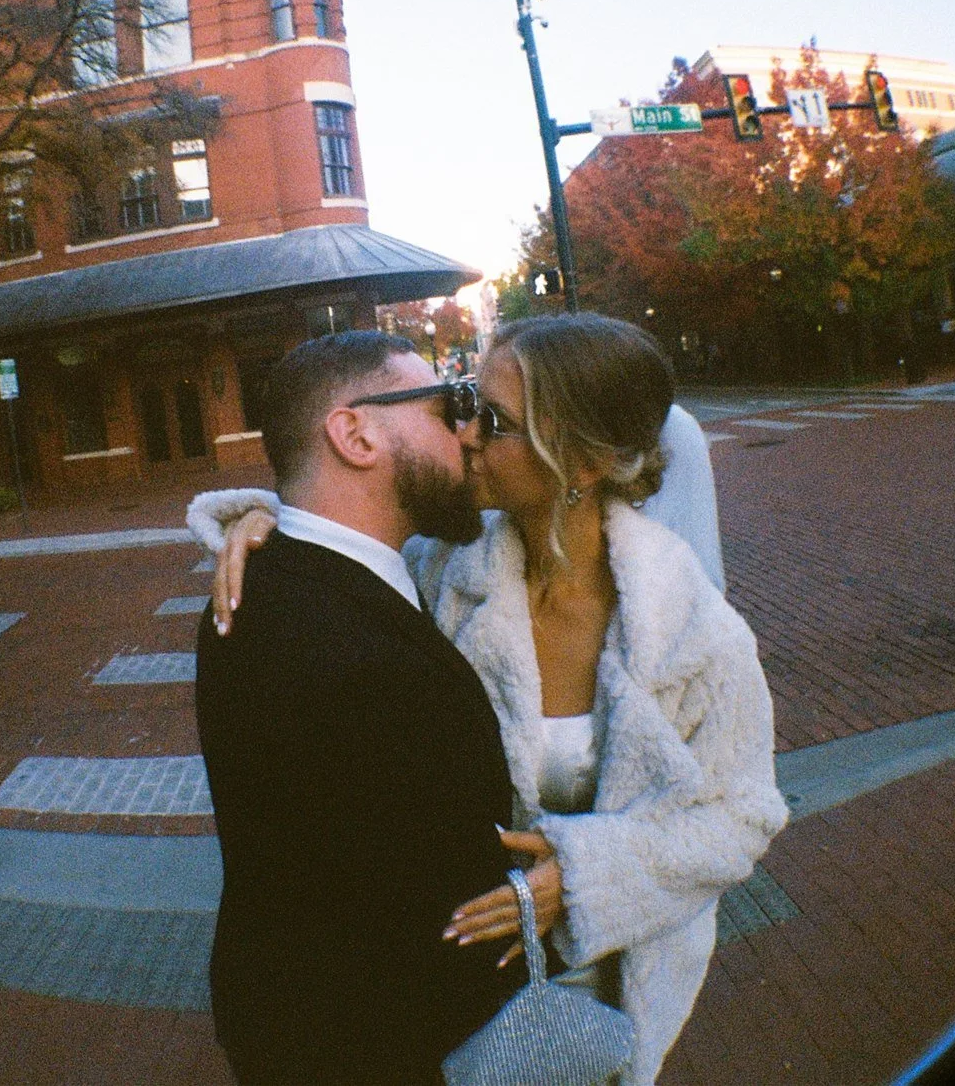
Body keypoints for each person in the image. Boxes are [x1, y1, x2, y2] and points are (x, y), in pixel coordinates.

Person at [194, 314, 787, 1086]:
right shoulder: (450, 570)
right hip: (447, 1013)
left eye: (490, 418)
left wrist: (582, 881)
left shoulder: (692, 635)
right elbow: (343, 546)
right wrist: (262, 524)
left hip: (602, 983)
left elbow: (743, 815)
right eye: (462, 408)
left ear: (582, 459)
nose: (466, 435)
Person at [193, 331, 524, 1086]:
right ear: (354, 433)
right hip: (372, 1052)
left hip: (294, 1028)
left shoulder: (264, 581)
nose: (469, 432)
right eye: (449, 407)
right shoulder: (352, 654)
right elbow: (441, 919)